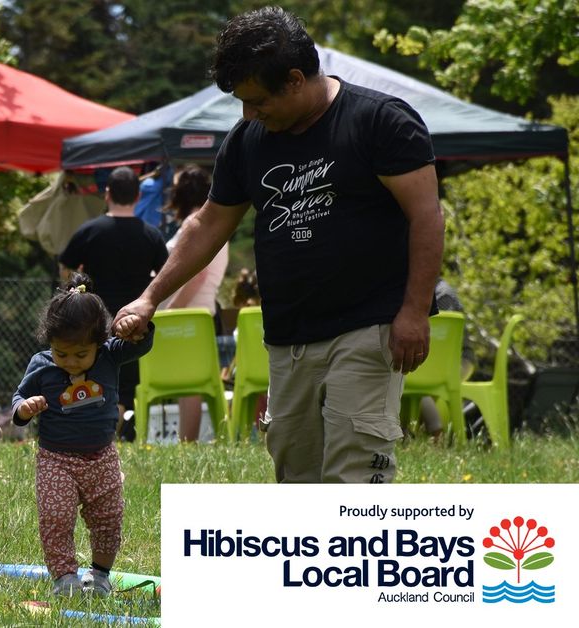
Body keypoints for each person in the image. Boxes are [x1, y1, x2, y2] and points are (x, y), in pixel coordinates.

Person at [113, 6, 443, 483]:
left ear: (294, 79)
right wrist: (149, 298)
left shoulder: (379, 121)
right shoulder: (249, 140)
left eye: (257, 100)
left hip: (369, 327)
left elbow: (427, 218)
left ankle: (358, 557)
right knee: (294, 473)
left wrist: (413, 312)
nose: (249, 114)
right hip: (288, 336)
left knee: (354, 471)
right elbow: (208, 224)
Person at [12, 273, 155, 597]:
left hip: (101, 457)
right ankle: (65, 578)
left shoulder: (109, 354)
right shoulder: (42, 365)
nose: (71, 363)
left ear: (98, 343)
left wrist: (140, 327)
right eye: (62, 354)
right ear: (50, 343)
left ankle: (100, 576)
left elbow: (142, 343)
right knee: (55, 516)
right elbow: (18, 400)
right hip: (56, 459)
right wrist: (25, 408)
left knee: (108, 519)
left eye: (80, 355)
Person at [59, 166, 169, 441]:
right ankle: (125, 434)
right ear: (137, 196)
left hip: (93, 322)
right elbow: (165, 276)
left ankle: (93, 432)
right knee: (129, 381)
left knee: (92, 376)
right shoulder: (151, 235)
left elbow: (66, 268)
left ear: (107, 194)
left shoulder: (89, 231)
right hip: (134, 324)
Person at [158, 165, 228, 442]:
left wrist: (170, 310)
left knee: (188, 384)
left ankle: (186, 441)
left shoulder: (194, 223)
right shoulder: (216, 223)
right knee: (194, 384)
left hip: (187, 315)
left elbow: (197, 274)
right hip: (204, 312)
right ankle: (188, 442)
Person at [417, 278, 475, 439]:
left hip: (459, 361)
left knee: (416, 383)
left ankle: (437, 436)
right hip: (431, 360)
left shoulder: (442, 294)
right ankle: (411, 433)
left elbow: (441, 337)